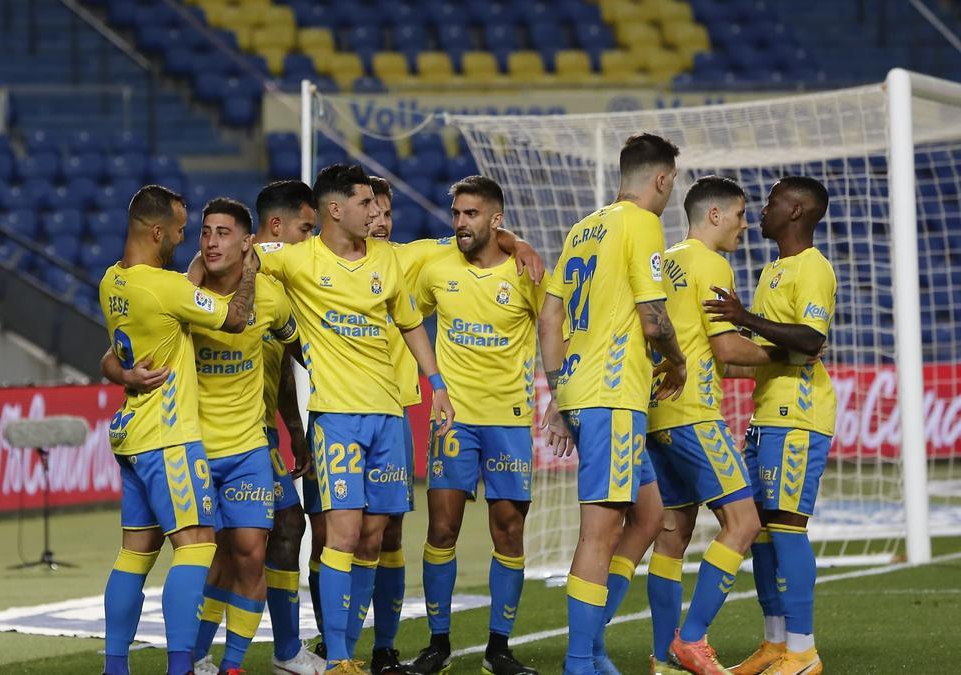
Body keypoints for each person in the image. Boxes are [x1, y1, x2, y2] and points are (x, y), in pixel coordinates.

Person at [250, 163, 455, 675]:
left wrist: (437, 388)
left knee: (374, 536)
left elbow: (411, 325)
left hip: (389, 416)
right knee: (341, 534)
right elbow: (235, 252)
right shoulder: (297, 260)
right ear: (335, 210)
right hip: (337, 417)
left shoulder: (386, 259)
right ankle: (338, 656)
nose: (377, 214)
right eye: (367, 204)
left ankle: (358, 645)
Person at [103, 197, 302, 675]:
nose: (196, 240)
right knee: (197, 548)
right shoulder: (175, 289)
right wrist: (251, 272)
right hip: (175, 439)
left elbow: (299, 350)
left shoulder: (114, 279)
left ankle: (121, 666)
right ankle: (185, 665)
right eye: (191, 231)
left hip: (185, 440)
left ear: (245, 240)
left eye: (220, 232)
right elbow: (234, 317)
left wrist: (296, 425)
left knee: (140, 552)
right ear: (157, 233)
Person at [537, 133, 688, 675]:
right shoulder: (642, 223)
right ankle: (580, 660)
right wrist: (677, 359)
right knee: (599, 530)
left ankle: (593, 647)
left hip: (586, 390)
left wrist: (560, 390)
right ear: (663, 179)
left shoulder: (583, 229)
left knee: (649, 515)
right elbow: (653, 318)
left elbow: (551, 318)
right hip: (614, 395)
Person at [641, 176, 799, 675]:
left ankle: (664, 656)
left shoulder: (667, 260)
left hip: (656, 412)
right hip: (694, 413)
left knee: (673, 531)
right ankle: (692, 640)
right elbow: (729, 349)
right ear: (713, 215)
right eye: (738, 215)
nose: (745, 225)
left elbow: (708, 354)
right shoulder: (712, 264)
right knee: (745, 522)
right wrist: (785, 355)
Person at [402, 176, 545, 675]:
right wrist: (432, 379)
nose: (460, 223)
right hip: (453, 421)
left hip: (508, 420)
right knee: (441, 527)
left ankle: (498, 649)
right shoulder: (436, 265)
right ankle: (437, 644)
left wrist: (561, 397)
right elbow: (407, 317)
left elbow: (552, 327)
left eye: (471, 215)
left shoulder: (526, 272)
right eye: (457, 214)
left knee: (509, 531)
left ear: (496, 220)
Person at [705, 177, 836, 675]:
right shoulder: (773, 270)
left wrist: (745, 318)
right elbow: (774, 351)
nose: (760, 210)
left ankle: (803, 652)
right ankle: (775, 644)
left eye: (771, 201)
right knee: (758, 532)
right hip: (766, 417)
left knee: (786, 529)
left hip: (799, 418)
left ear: (797, 209)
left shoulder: (814, 268)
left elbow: (808, 338)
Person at [253, 180, 329, 675]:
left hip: (260, 433)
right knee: (221, 545)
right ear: (277, 228)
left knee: (289, 524)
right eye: (307, 229)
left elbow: (279, 365)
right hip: (213, 437)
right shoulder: (224, 274)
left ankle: (285, 652)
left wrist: (295, 431)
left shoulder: (280, 284)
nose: (313, 239)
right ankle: (191, 657)